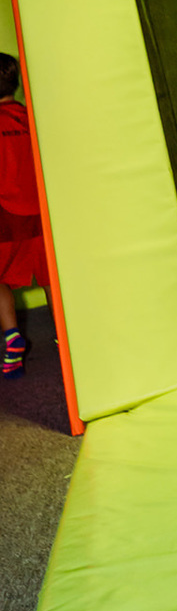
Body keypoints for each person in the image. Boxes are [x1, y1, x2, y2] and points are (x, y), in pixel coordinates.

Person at [0, 51, 46, 378]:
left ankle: (12, 336)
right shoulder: (33, 119)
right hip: (42, 216)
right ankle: (69, 339)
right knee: (53, 282)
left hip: (6, 218)